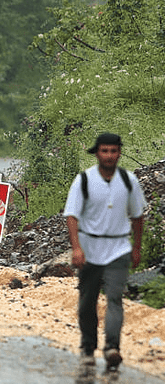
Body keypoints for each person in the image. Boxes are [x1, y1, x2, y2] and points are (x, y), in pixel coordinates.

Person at [64, 132, 145, 370]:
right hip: (90, 249)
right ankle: (88, 347)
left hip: (119, 248)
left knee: (115, 298)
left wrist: (136, 247)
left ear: (119, 153)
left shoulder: (129, 181)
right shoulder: (84, 181)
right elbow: (71, 216)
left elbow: (138, 217)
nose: (109, 156)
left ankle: (112, 347)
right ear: (97, 153)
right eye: (105, 151)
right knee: (87, 301)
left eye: (113, 151)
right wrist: (76, 247)